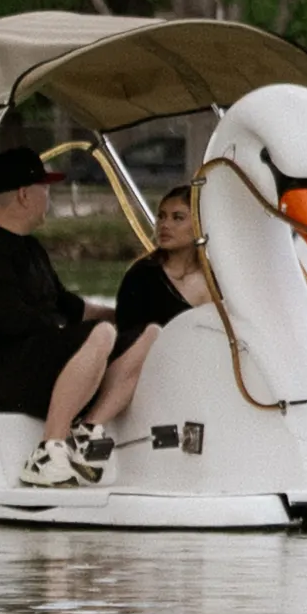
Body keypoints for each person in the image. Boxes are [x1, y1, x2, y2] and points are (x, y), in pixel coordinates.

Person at [35, 183, 215, 477]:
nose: (165, 225)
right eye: (162, 216)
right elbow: (127, 341)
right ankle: (88, 429)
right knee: (152, 334)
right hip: (144, 376)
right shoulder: (142, 276)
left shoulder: (217, 278)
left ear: (202, 224)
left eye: (177, 217)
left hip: (199, 374)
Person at [0, 151, 92, 438]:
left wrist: (123, 316)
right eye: (45, 189)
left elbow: (68, 305)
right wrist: (78, 333)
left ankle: (90, 431)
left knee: (139, 338)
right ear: (24, 195)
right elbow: (14, 321)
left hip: (35, 363)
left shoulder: (31, 248)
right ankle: (52, 447)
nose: (49, 197)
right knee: (100, 336)